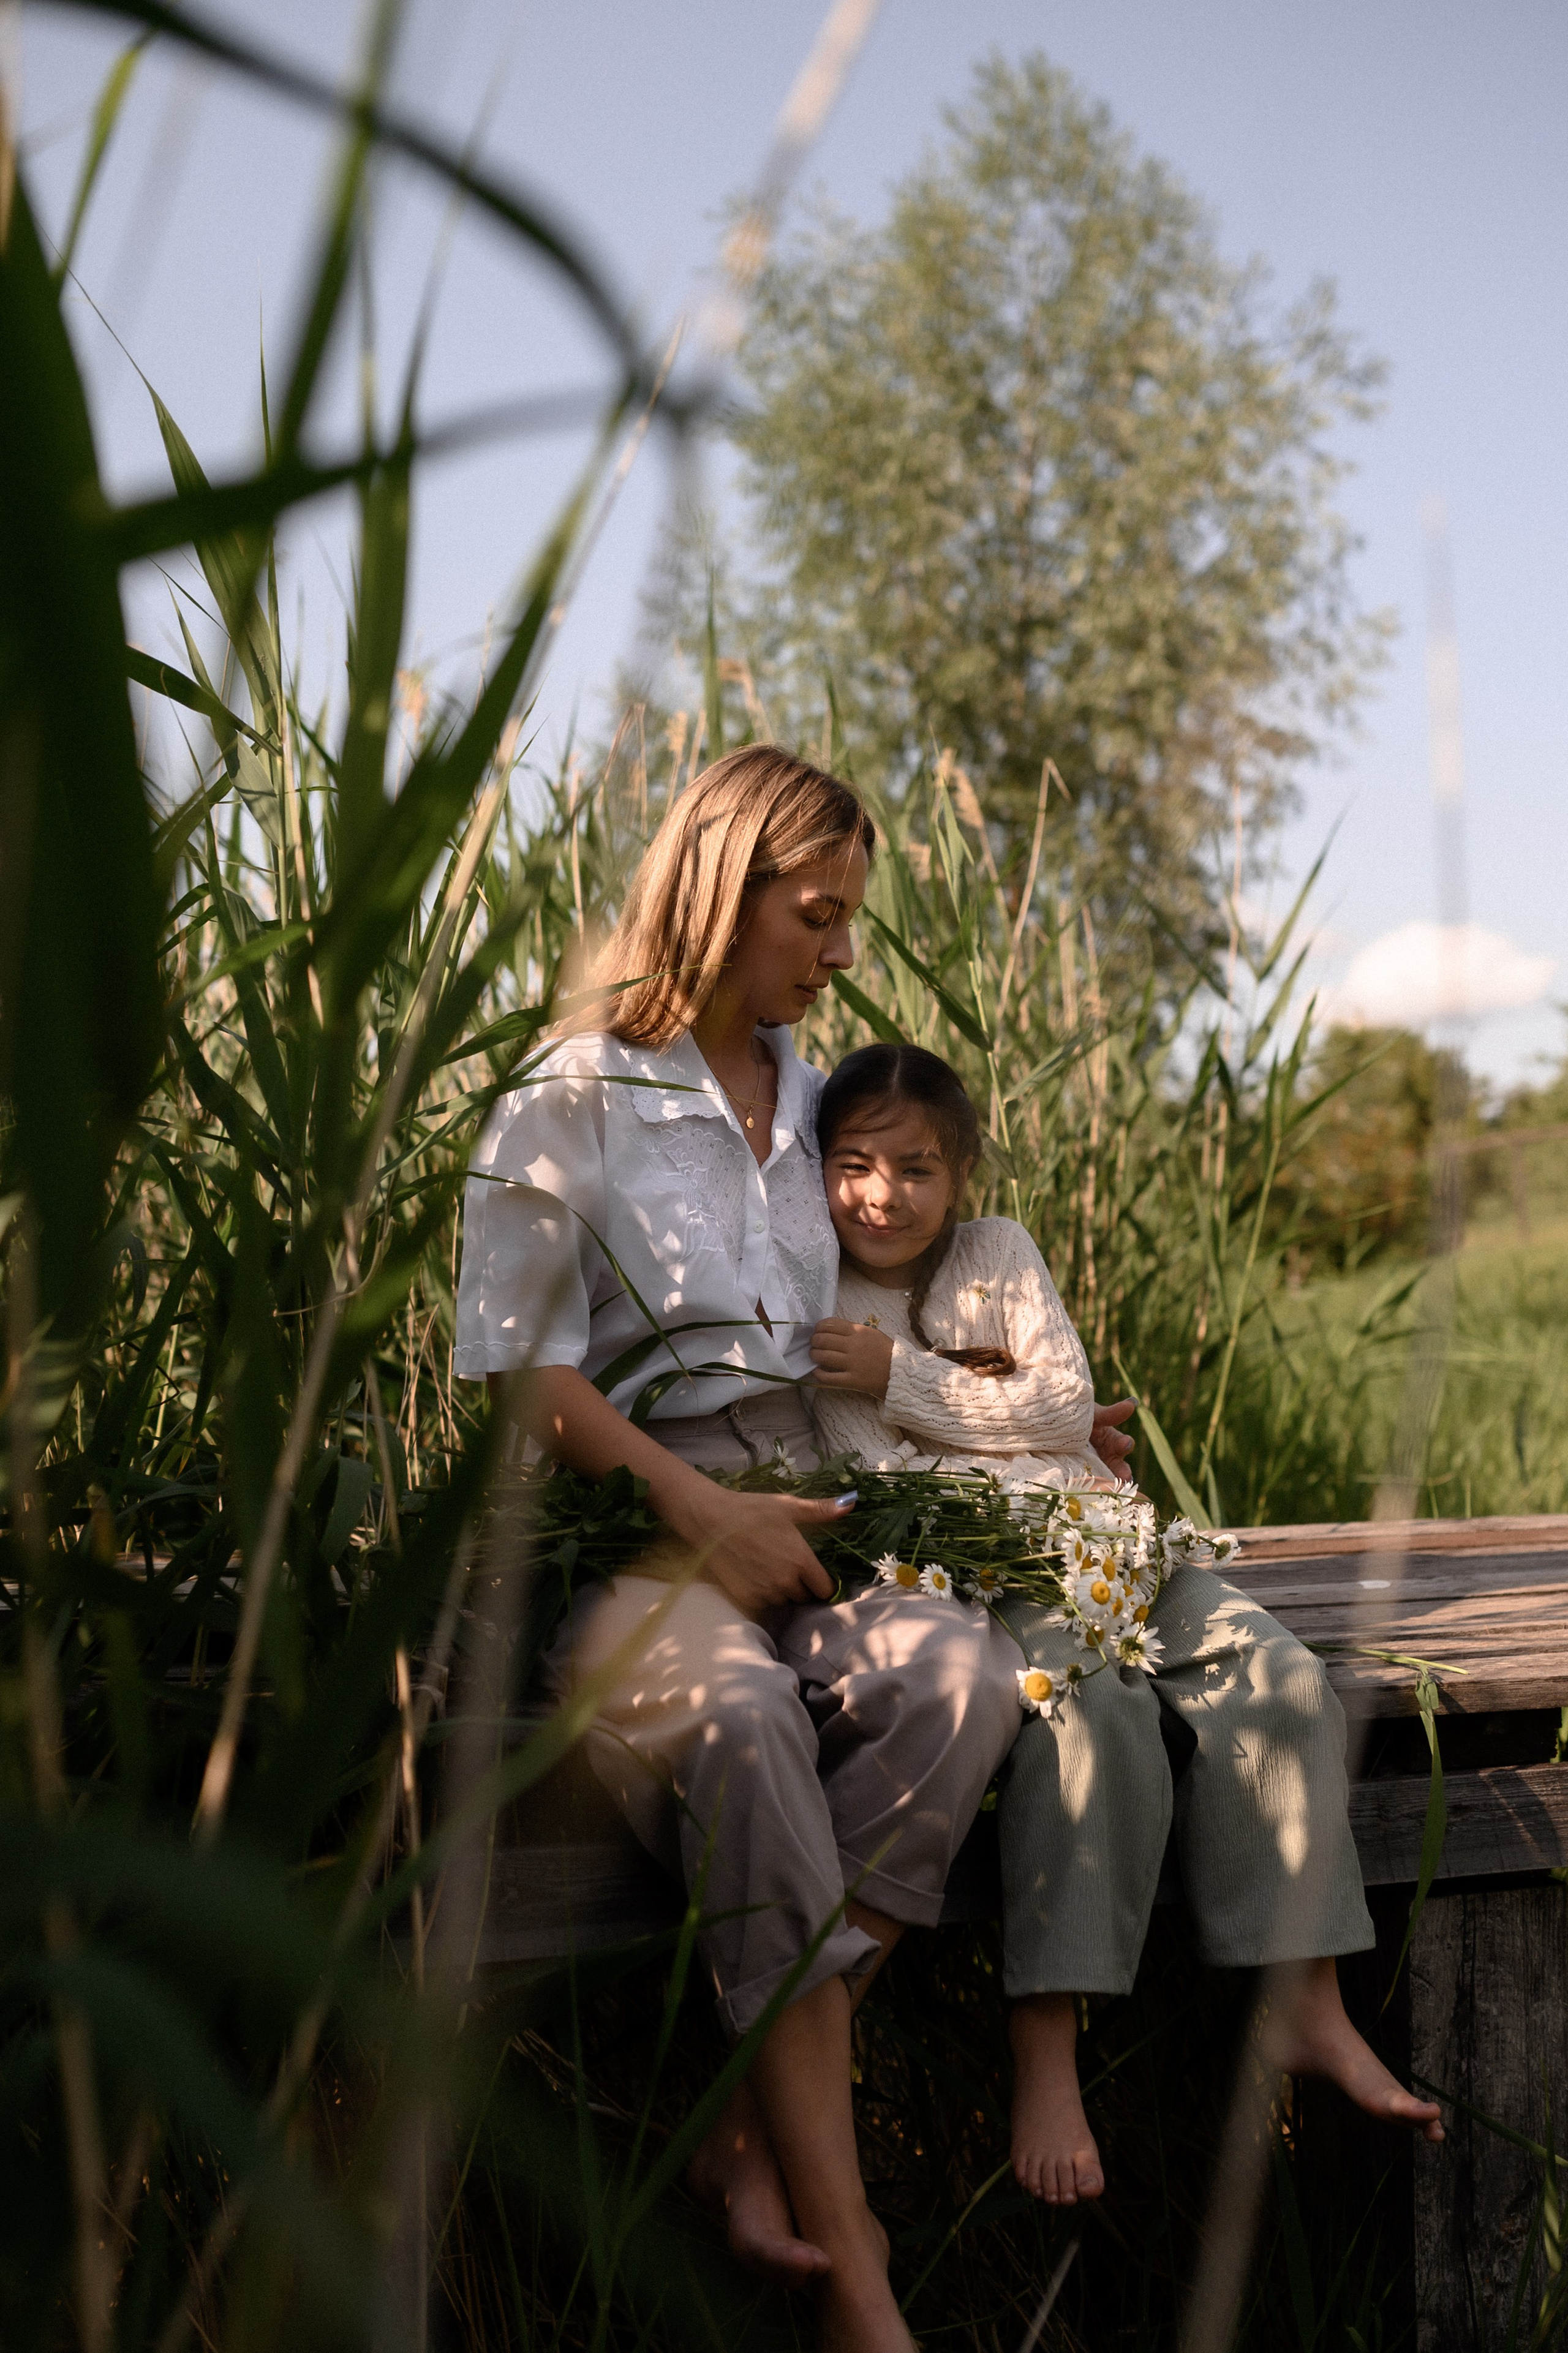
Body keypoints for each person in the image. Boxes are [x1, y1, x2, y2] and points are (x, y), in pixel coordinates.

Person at [454, 753, 1022, 2353]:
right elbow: (519, 1368)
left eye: (849, 918)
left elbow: (892, 1310)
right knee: (751, 1723)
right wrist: (690, 1508)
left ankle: (742, 2117)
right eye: (819, 912)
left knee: (963, 1678)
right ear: (722, 881)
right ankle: (859, 2271)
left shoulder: (818, 1096)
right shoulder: (568, 1097)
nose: (843, 948)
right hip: (641, 1551)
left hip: (811, 1536)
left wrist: (1029, 1420)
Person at [807, 1042, 1445, 2212]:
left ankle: (1306, 1996)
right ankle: (1047, 2048)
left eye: (915, 1167)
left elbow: (1063, 1397)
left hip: (1119, 1542)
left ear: (961, 1176)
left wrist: (905, 1379)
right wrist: (1007, 1428)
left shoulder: (999, 1254)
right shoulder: (819, 1297)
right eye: (852, 1164)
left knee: (1287, 1680)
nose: (881, 1194)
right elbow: (897, 1493)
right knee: (1091, 1721)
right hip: (995, 1580)